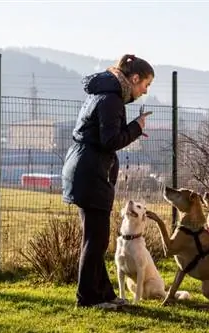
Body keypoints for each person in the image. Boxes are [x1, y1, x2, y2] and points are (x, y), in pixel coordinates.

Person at [61, 54, 154, 310]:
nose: (145, 91)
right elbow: (109, 141)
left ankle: (103, 293)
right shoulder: (112, 99)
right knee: (95, 241)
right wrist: (136, 127)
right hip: (91, 173)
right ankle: (88, 299)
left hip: (85, 168)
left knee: (96, 239)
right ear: (134, 78)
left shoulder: (104, 92)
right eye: (145, 84)